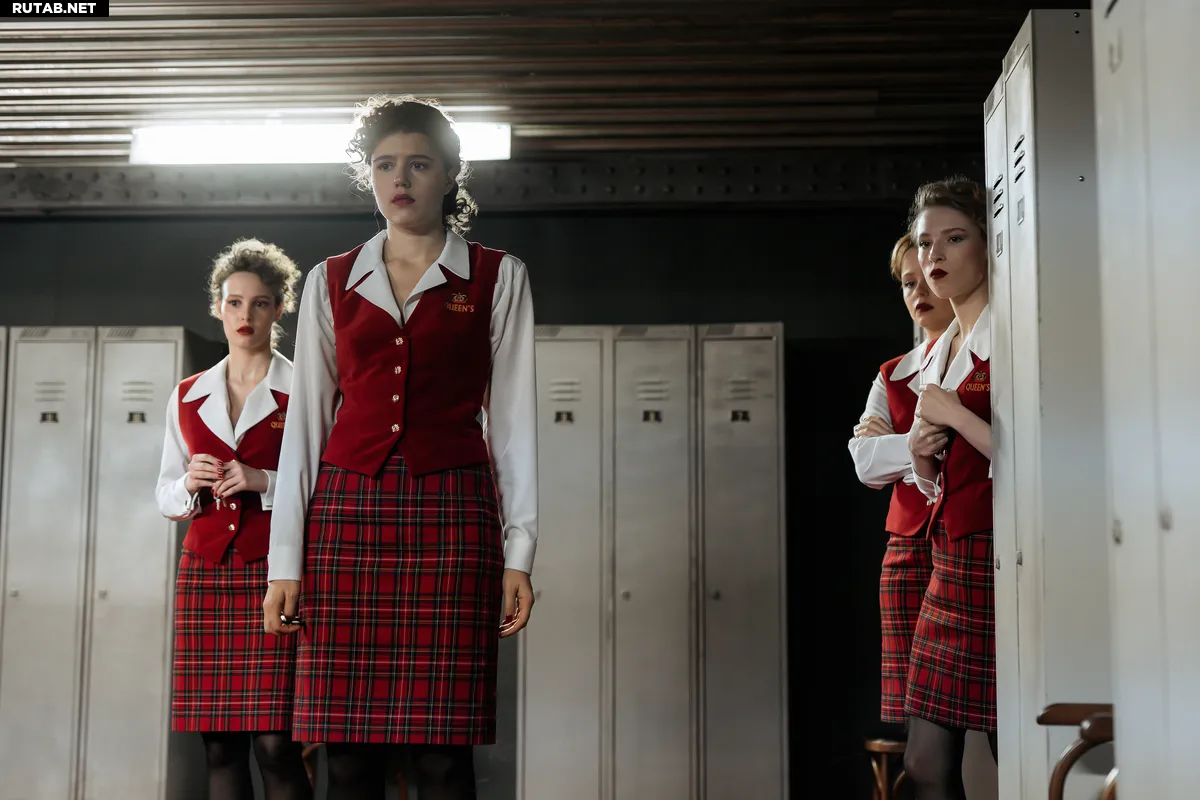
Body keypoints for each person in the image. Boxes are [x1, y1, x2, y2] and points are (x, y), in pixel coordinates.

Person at [262, 95, 538, 800]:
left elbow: (512, 425)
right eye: (384, 165)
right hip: (347, 520)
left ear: (449, 175)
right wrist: (284, 563)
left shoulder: (497, 275)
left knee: (442, 755)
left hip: (454, 517)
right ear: (369, 176)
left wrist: (519, 553)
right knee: (349, 754)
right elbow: (306, 429)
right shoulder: (330, 280)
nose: (400, 179)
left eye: (418, 164)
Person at [154, 239, 311, 800]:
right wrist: (188, 485)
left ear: (280, 309)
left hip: (275, 572)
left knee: (276, 745)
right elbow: (165, 493)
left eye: (261, 303)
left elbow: (327, 487)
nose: (246, 315)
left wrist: (261, 479)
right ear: (217, 307)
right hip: (205, 573)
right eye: (235, 302)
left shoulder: (307, 389)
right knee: (219, 746)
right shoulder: (186, 395)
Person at [901, 177, 997, 799]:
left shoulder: (1009, 331)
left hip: (997, 557)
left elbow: (1043, 462)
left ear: (988, 244)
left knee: (1014, 748)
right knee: (925, 765)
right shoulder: (940, 349)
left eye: (954, 238)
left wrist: (957, 417)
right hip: (949, 555)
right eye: (924, 242)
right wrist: (919, 455)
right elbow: (937, 476)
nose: (934, 255)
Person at [848, 233, 954, 728]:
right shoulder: (892, 374)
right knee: (919, 723)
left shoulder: (984, 357)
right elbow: (865, 464)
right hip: (907, 551)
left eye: (926, 277)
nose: (919, 292)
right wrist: (918, 444)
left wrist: (897, 446)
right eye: (908, 283)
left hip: (964, 538)